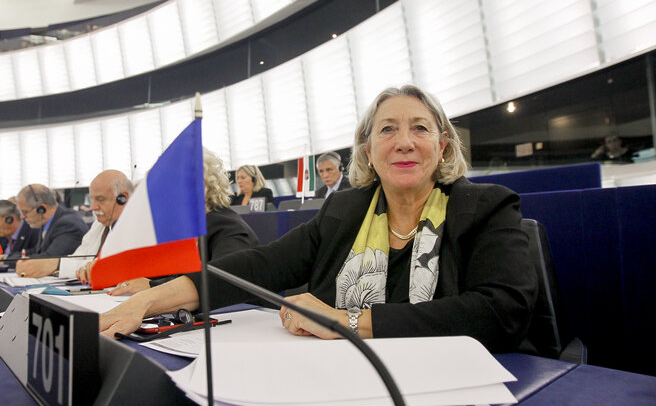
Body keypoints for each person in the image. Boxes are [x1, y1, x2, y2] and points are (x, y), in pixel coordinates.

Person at [99, 85, 538, 353]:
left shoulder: (486, 207)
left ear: (443, 147)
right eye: (387, 129)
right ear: (368, 151)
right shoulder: (344, 211)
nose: (404, 142)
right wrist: (149, 301)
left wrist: (344, 321)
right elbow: (257, 267)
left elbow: (501, 314)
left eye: (420, 129)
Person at [107, 149, 261, 295]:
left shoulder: (227, 227)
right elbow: (160, 273)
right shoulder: (180, 229)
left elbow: (221, 284)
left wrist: (152, 287)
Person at [17, 170, 133, 279]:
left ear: (123, 198)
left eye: (100, 199)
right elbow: (78, 257)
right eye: (92, 200)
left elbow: (116, 266)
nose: (92, 207)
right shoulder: (100, 224)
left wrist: (56, 264)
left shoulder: (138, 227)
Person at [13, 184, 88, 276]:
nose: (22, 217)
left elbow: (48, 259)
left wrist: (11, 262)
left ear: (42, 209)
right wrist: (5, 258)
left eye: (25, 212)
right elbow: (37, 251)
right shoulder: (46, 223)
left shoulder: (68, 224)